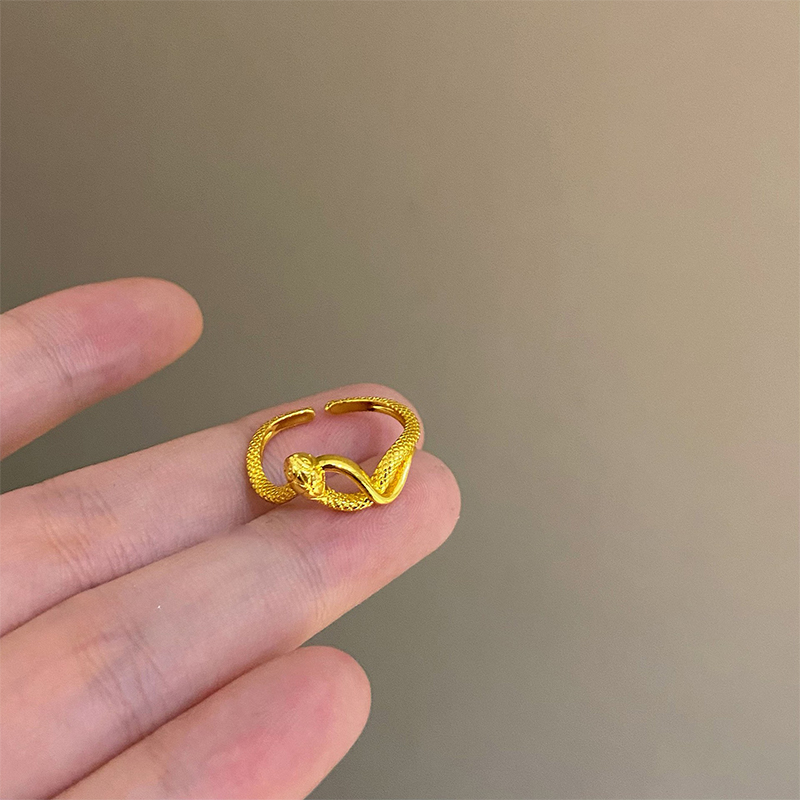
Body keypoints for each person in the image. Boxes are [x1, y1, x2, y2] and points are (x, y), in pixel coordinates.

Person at [0, 277, 460, 799]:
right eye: (304, 473)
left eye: (308, 473)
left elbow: (369, 485)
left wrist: (340, 475)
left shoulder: (342, 479)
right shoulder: (318, 479)